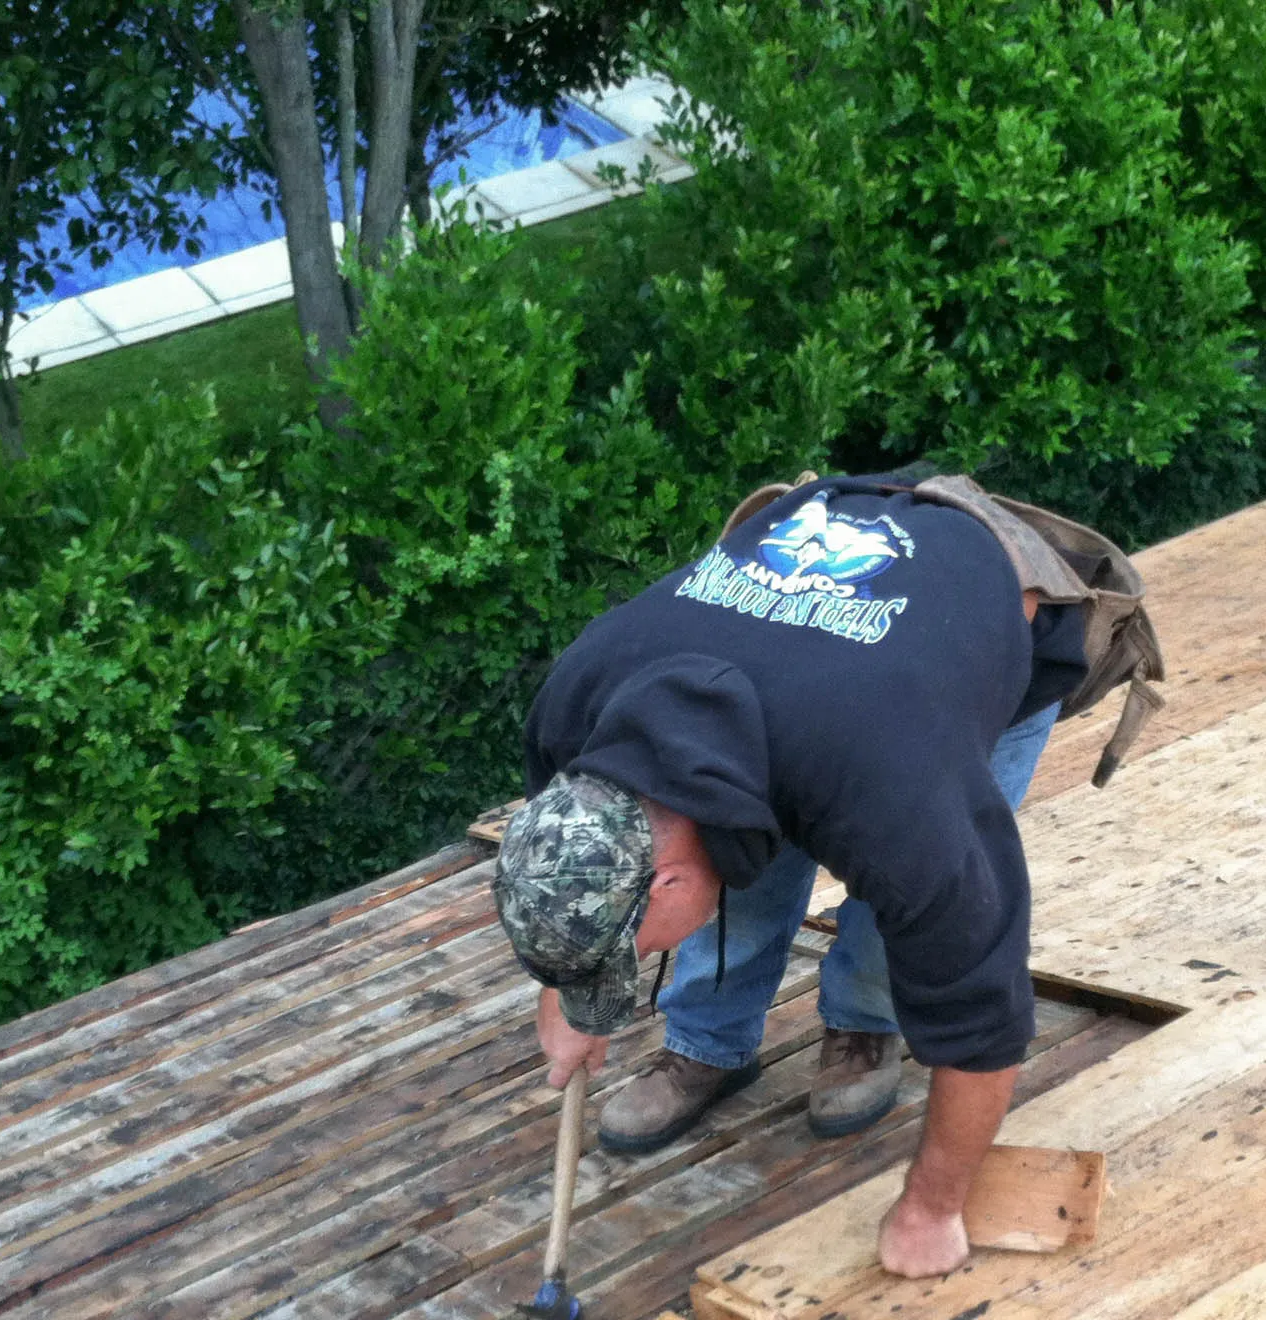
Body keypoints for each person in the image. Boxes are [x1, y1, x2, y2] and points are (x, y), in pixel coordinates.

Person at [492, 472, 1159, 1278]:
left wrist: (933, 1207)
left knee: (905, 906)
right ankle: (708, 1044)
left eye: (617, 960)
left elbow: (984, 1016)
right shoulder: (575, 710)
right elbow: (564, 874)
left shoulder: (896, 788)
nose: (614, 974)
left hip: (986, 610)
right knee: (747, 867)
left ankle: (864, 1029)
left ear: (663, 884)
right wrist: (568, 986)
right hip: (819, 676)